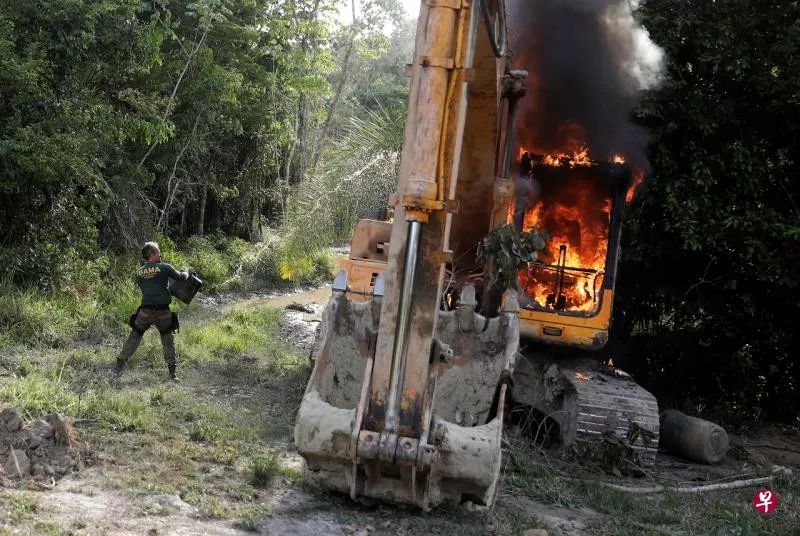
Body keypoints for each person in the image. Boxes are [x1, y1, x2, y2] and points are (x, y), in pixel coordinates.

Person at [113, 241, 188, 381]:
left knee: (134, 337)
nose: (160, 254)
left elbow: (150, 289)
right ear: (152, 254)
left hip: (145, 312)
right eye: (158, 251)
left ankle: (119, 365)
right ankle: (172, 374)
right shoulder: (165, 267)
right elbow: (180, 278)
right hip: (163, 312)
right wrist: (186, 272)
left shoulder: (139, 273)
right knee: (167, 341)